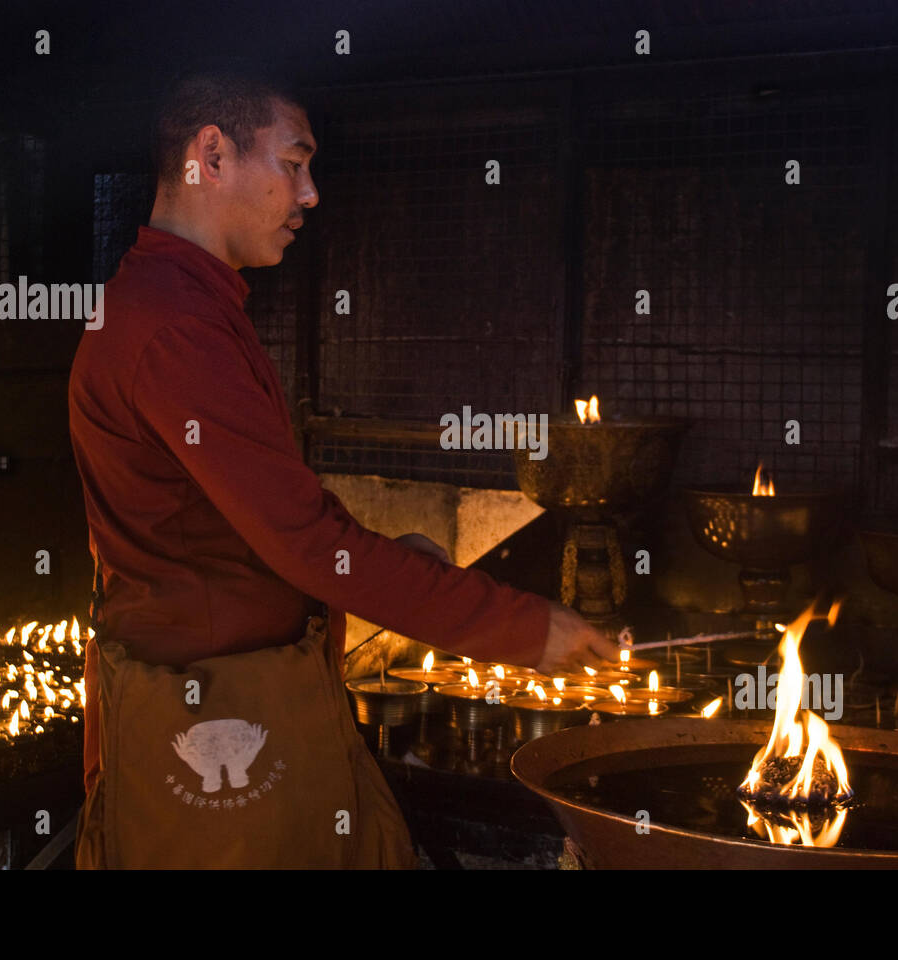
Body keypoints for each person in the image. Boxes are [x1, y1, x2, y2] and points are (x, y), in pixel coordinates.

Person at [67, 70, 617, 804]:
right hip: (206, 722)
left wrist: (391, 563)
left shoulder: (187, 304)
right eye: (294, 163)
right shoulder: (175, 327)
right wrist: (520, 630)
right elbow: (303, 544)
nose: (310, 193)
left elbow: (258, 521)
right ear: (213, 153)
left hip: (223, 692)